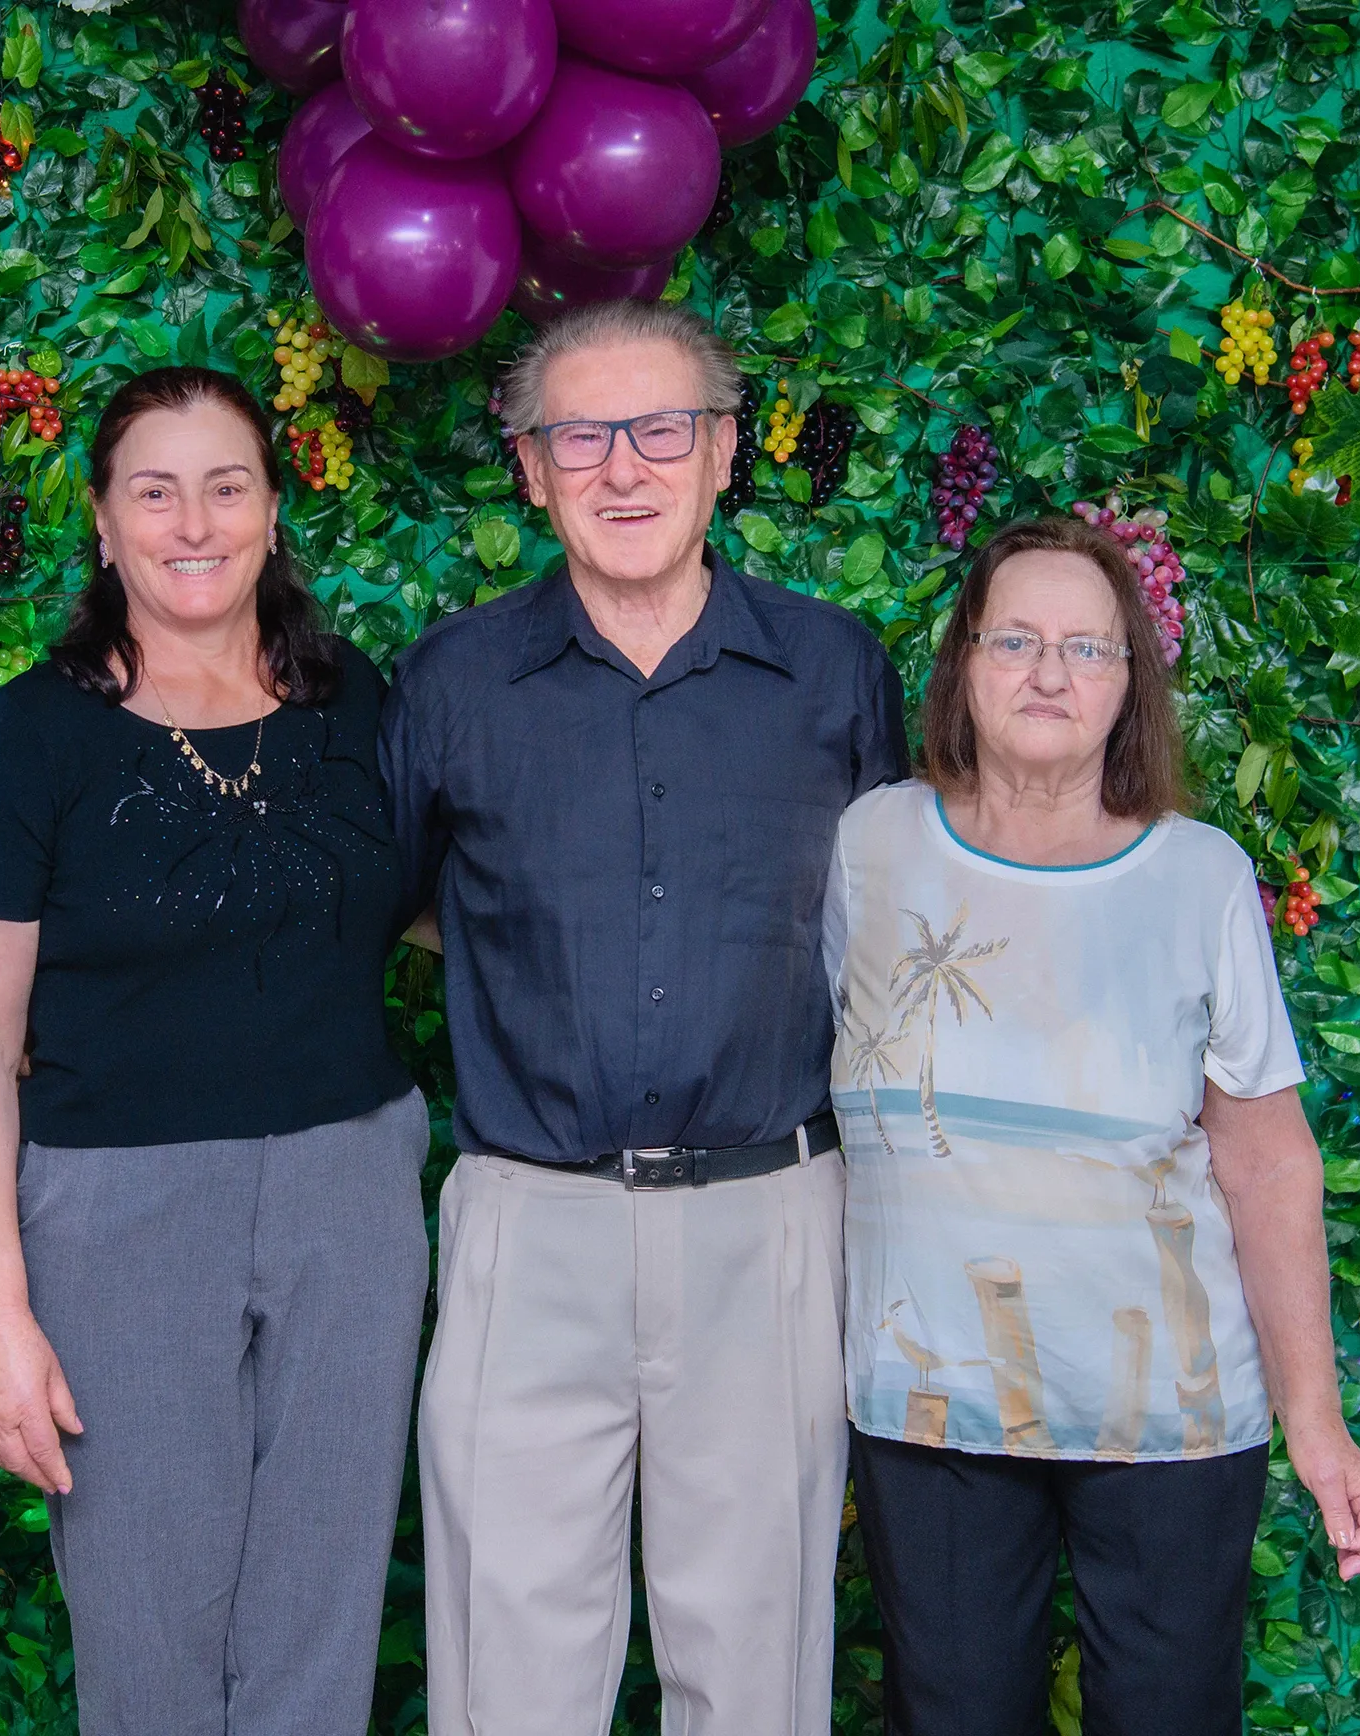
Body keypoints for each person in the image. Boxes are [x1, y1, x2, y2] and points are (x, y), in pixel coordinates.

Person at [383, 299, 907, 1736]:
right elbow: (410, 905)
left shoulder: (834, 669)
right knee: (508, 1667)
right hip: (525, 1219)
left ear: (723, 453)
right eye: (579, 436)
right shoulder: (453, 680)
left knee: (755, 1662)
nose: (624, 469)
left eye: (661, 429)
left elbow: (889, 926)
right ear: (530, 468)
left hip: (769, 1220)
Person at [821, 514, 1360, 1734]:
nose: (1048, 674)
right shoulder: (865, 846)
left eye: (1088, 649)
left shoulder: (1198, 875)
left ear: (1129, 681)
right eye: (1015, 638)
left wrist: (1318, 1420)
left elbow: (1265, 1157)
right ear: (961, 663)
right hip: (931, 1407)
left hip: (1171, 1416)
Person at [0, 365, 428, 1736]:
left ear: (272, 511)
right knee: (149, 1632)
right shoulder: (33, 738)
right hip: (118, 1211)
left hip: (352, 1193)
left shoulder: (353, 704)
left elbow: (447, 907)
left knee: (321, 1617)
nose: (191, 523)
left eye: (225, 486)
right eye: (155, 491)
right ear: (102, 522)